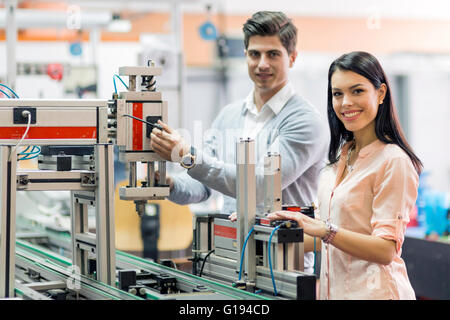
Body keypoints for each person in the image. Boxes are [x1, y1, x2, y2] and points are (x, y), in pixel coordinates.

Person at [150, 11, 329, 274]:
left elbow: (262, 184)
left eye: (273, 54)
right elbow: (204, 185)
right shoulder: (229, 115)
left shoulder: (304, 121)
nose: (262, 64)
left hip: (282, 267)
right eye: (255, 54)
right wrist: (170, 184)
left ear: (292, 57)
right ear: (245, 55)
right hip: (229, 258)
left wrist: (187, 156)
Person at [267, 51, 423, 299]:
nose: (345, 102)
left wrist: (324, 230)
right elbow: (327, 241)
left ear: (381, 93)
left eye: (357, 91)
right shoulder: (341, 157)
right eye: (337, 94)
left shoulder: (394, 161)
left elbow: (385, 250)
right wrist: (264, 233)